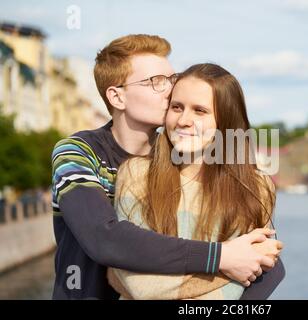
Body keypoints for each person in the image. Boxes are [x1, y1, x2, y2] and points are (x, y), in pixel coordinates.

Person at [51, 34, 285, 299]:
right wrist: (221, 257)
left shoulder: (183, 159)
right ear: (117, 97)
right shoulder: (78, 152)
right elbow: (104, 238)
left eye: (171, 79)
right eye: (156, 82)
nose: (170, 89)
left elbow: (267, 266)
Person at [107, 63, 282, 299]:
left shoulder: (256, 188)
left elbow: (244, 281)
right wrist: (228, 264)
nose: (183, 120)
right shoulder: (137, 175)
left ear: (225, 122)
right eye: (177, 107)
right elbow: (140, 286)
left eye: (200, 111)